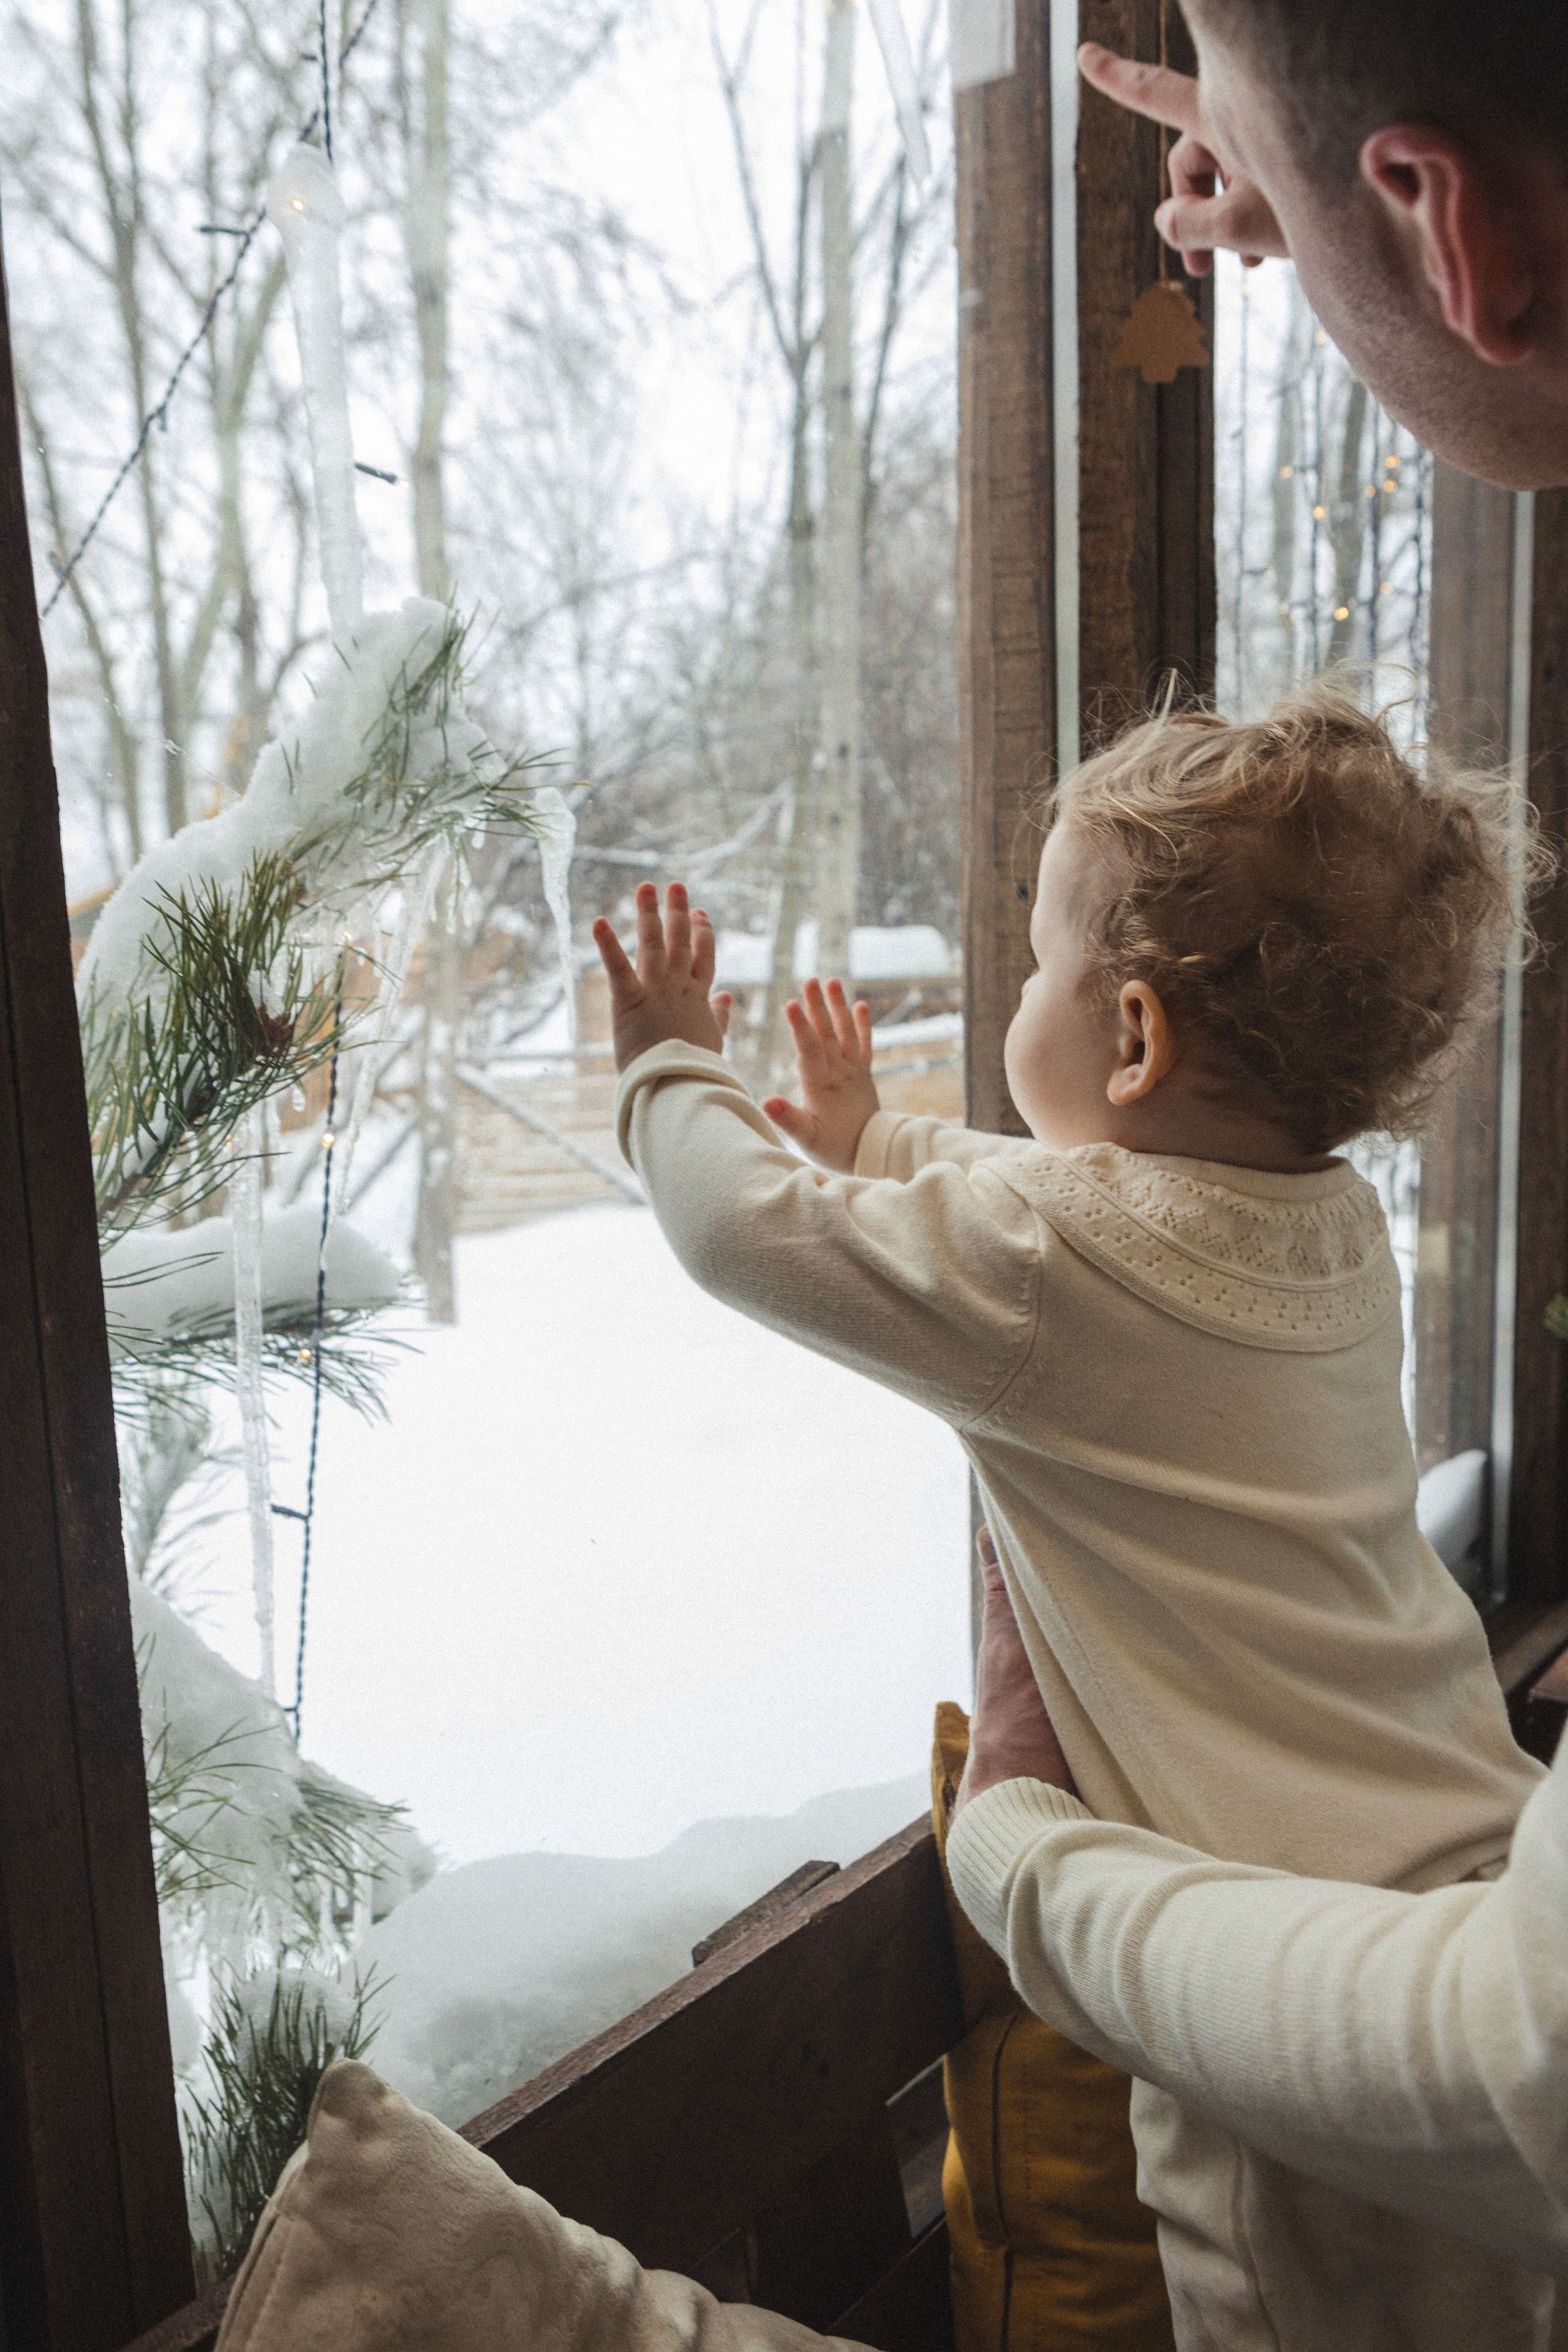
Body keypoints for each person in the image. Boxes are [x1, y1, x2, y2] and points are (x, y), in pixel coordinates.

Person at [592, 676, 1551, 2349]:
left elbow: (750, 1230)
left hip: (1289, 2017)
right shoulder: (1332, 1232)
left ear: (1129, 1037)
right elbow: (1085, 1204)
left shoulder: (1057, 1272)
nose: (1016, 990)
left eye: (1038, 964)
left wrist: (675, 1073)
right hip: (1479, 1859)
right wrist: (881, 1135)